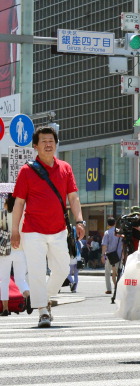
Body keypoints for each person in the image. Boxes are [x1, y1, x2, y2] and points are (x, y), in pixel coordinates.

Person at [10, 126, 85, 328]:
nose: (48, 144)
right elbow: (18, 202)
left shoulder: (65, 168)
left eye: (51, 140)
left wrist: (79, 220)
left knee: (62, 269)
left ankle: (45, 298)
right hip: (32, 230)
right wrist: (15, 229)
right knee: (36, 270)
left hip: (59, 229)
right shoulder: (27, 171)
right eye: (43, 141)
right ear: (35, 146)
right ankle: (43, 311)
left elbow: (73, 197)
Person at [0, 194, 32, 316]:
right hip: (21, 250)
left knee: (4, 280)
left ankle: (5, 308)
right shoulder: (24, 215)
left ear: (7, 201)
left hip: (5, 251)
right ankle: (28, 296)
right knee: (20, 279)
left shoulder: (3, 214)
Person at [101, 217, 122, 295]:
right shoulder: (120, 232)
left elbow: (104, 245)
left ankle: (109, 289)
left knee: (107, 272)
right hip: (119, 255)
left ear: (108, 224)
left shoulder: (107, 233)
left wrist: (103, 255)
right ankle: (119, 288)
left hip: (110, 255)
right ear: (115, 223)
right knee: (119, 272)